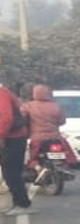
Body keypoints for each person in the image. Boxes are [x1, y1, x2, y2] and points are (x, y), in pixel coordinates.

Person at [22, 84, 79, 168]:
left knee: (32, 157)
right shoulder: (56, 106)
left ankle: (38, 168)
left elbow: (23, 120)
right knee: (66, 154)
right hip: (55, 137)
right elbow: (62, 121)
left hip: (37, 138)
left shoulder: (28, 106)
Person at [0, 81, 35, 215]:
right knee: (11, 172)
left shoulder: (2, 94)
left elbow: (6, 118)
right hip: (12, 137)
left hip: (11, 138)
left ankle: (22, 204)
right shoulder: (6, 93)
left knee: (11, 173)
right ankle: (20, 203)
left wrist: (1, 135)